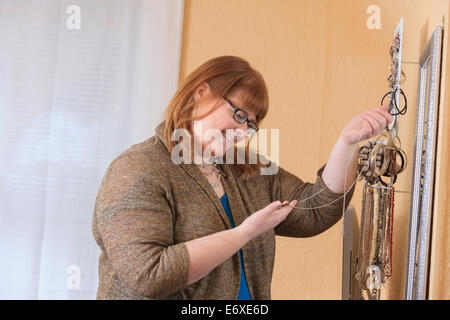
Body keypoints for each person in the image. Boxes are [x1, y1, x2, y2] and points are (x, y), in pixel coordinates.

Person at [92, 55, 393, 299]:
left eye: (250, 124)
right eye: (239, 115)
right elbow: (148, 275)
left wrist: (348, 141)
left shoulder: (244, 167)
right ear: (201, 93)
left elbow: (315, 211)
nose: (242, 132)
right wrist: (244, 233)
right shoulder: (138, 169)